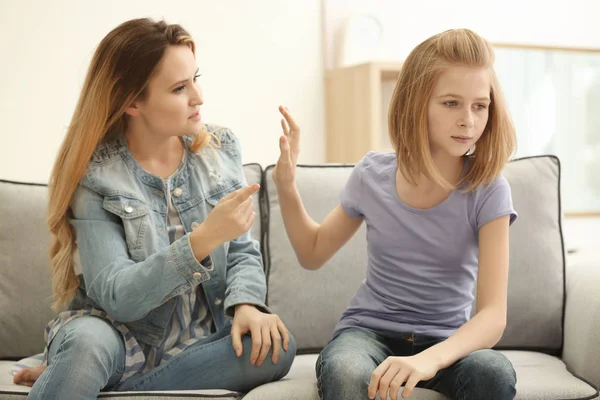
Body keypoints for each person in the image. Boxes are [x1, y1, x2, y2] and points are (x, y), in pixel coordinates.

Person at [13, 17, 296, 399]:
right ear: (131, 101)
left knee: (277, 346)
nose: (198, 97)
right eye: (180, 88)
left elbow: (243, 250)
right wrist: (202, 240)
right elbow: (118, 295)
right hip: (112, 335)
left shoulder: (221, 150)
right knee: (85, 347)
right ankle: (82, 369)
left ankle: (96, 385)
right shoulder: (97, 175)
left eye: (197, 78)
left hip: (195, 345)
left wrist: (246, 304)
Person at [273, 28, 518, 400]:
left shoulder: (489, 189)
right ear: (416, 103)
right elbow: (312, 252)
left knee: (493, 373)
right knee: (345, 370)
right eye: (451, 103)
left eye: (479, 105)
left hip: (447, 340)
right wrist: (287, 186)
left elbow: (492, 315)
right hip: (367, 333)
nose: (468, 120)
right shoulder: (373, 176)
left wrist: (429, 360)